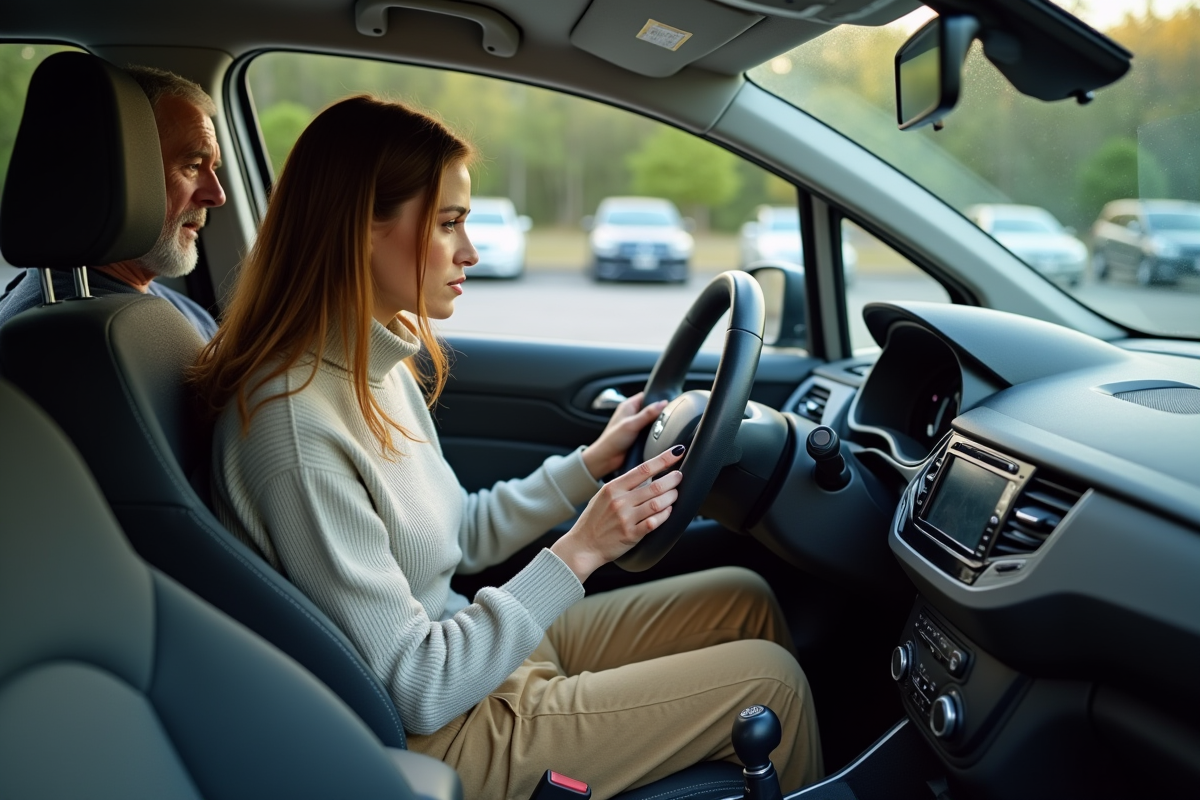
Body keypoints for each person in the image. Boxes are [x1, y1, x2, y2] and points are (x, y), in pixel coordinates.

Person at [191, 95, 821, 800]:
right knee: (770, 685)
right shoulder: (293, 430)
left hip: (475, 649)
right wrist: (583, 547)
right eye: (450, 222)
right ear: (361, 229)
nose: (472, 251)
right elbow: (415, 689)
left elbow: (458, 530)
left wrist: (588, 468)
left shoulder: (376, 364)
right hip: (445, 730)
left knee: (743, 598)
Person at [0, 65, 225, 339]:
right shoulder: (60, 340)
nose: (217, 196)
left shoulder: (163, 307)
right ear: (119, 173)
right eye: (192, 165)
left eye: (214, 168)